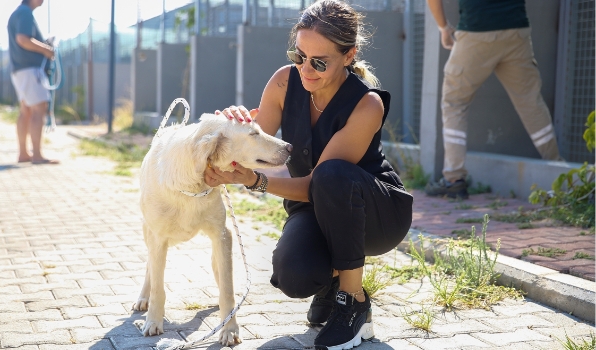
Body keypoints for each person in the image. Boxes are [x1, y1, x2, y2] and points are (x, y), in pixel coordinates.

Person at [204, 1, 413, 348]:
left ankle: (353, 302)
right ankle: (331, 281)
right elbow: (252, 151)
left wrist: (256, 183)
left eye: (320, 62)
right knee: (293, 276)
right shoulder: (284, 83)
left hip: (377, 214)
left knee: (331, 174)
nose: (306, 69)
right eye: (299, 56)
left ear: (349, 55)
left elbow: (318, 184)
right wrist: (230, 126)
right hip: (315, 208)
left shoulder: (367, 104)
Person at [424, 0, 562, 199]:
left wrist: (444, 28)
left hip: (476, 29)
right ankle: (559, 169)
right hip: (516, 28)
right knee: (530, 102)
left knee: (454, 102)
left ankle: (454, 179)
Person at [7, 0, 58, 164]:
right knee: (38, 110)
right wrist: (46, 50)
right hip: (30, 70)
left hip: (20, 70)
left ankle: (24, 153)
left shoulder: (18, 13)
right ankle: (37, 155)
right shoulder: (25, 13)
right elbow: (23, 39)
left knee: (26, 111)